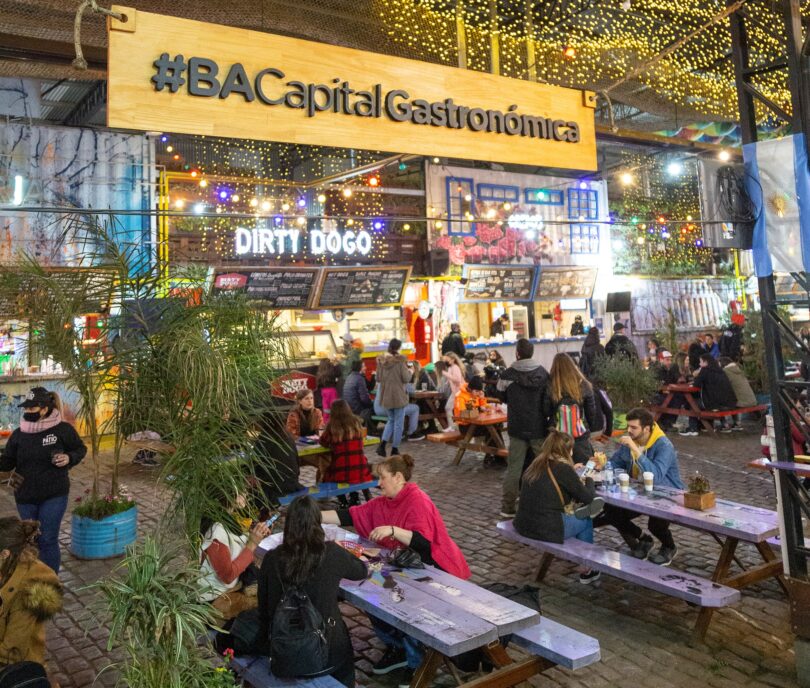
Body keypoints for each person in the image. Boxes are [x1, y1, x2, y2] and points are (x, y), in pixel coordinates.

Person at [321, 454, 470, 683]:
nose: (378, 483)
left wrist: (393, 530)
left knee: (407, 604)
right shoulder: (384, 502)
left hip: (438, 569)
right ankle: (396, 645)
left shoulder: (418, 500)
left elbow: (424, 544)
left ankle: (416, 661)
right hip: (404, 566)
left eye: (382, 477)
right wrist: (311, 515)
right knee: (370, 593)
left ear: (398, 477)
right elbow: (348, 514)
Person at [258, 496, 367, 687]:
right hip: (328, 653)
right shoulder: (332, 553)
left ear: (288, 523)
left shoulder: (271, 558)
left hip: (282, 648)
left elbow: (264, 609)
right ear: (318, 523)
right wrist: (342, 552)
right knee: (343, 647)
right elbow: (361, 571)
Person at [0, 387, 86, 573]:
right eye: (26, 409)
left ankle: (50, 582)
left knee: (47, 538)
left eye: (32, 409)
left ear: (45, 409)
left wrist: (69, 458)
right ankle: (36, 577)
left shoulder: (62, 430)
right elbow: (7, 463)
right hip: (24, 495)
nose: (27, 412)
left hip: (53, 494)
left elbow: (80, 449)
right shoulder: (19, 434)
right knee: (33, 539)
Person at [594, 407, 683, 566]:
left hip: (668, 493)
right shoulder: (629, 441)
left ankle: (669, 547)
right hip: (639, 491)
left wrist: (635, 449)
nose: (629, 430)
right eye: (628, 427)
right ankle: (643, 539)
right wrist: (602, 464)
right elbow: (616, 463)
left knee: (655, 525)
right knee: (612, 511)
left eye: (634, 427)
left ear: (646, 428)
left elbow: (655, 476)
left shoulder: (664, 445)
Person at [513, 431, 603, 584]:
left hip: (523, 524)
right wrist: (589, 478)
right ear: (568, 450)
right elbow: (588, 498)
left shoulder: (536, 463)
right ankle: (588, 567)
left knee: (576, 514)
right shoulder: (563, 469)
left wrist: (573, 471)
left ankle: (578, 558)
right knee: (586, 517)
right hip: (545, 529)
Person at [496, 339, 550, 518]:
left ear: (517, 353)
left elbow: (502, 396)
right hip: (538, 427)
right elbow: (548, 400)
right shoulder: (543, 373)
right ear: (532, 352)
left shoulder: (507, 374)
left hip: (517, 428)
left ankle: (508, 507)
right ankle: (547, 503)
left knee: (514, 469)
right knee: (545, 467)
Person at [0, 517, 63, 667]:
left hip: (12, 667)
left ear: (5, 554)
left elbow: (12, 652)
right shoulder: (7, 568)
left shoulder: (27, 592)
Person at [199, 493, 272, 619]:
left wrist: (256, 535)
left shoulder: (228, 518)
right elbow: (228, 575)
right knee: (266, 604)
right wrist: (252, 543)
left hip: (232, 588)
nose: (246, 494)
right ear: (229, 496)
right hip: (215, 598)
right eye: (241, 492)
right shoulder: (217, 531)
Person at [545, 353, 599, 464]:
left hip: (558, 437)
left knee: (560, 468)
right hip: (580, 436)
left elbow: (546, 411)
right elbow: (591, 413)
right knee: (585, 468)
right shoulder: (584, 385)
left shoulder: (551, 386)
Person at [319, 400, 374, 506]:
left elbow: (323, 442)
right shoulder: (356, 422)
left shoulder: (332, 425)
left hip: (341, 470)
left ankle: (343, 501)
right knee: (355, 472)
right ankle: (355, 497)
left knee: (328, 474)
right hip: (361, 467)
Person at [253, 410, 304, 506]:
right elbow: (297, 463)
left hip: (274, 489)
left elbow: (256, 466)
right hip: (293, 484)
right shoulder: (288, 436)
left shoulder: (264, 439)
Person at [680, 353, 737, 436]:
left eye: (701, 362)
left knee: (692, 403)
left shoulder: (705, 370)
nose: (699, 364)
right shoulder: (720, 370)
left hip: (715, 405)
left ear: (706, 362)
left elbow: (696, 384)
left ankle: (693, 429)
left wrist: (697, 375)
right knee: (704, 400)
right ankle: (706, 425)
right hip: (728, 403)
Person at [375, 339, 412, 457]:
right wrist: (411, 371)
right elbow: (406, 379)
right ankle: (395, 448)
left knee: (391, 421)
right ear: (398, 348)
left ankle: (382, 445)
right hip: (398, 396)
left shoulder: (382, 362)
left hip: (386, 396)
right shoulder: (400, 362)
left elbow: (378, 378)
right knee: (398, 424)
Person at [719, 356, 756, 430]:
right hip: (752, 400)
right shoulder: (738, 369)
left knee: (721, 403)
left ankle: (725, 425)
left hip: (742, 402)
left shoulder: (726, 371)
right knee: (735, 398)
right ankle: (737, 423)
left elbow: (721, 386)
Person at [343, 359, 374, 428]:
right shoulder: (359, 378)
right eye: (363, 366)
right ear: (359, 368)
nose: (365, 368)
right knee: (375, 409)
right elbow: (364, 399)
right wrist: (372, 404)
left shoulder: (349, 377)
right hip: (358, 409)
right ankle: (371, 430)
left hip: (349, 408)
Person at [441, 352, 466, 433]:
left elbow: (457, 379)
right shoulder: (451, 368)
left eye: (447, 360)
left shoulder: (455, 367)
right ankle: (453, 426)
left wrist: (446, 374)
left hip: (459, 391)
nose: (445, 361)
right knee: (455, 409)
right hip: (456, 391)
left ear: (453, 360)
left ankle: (452, 426)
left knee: (449, 408)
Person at [316, 359, 340, 423]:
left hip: (323, 392)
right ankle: (335, 422)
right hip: (332, 391)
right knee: (334, 408)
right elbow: (338, 373)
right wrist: (336, 364)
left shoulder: (319, 373)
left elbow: (318, 385)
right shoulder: (331, 371)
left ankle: (326, 423)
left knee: (326, 409)